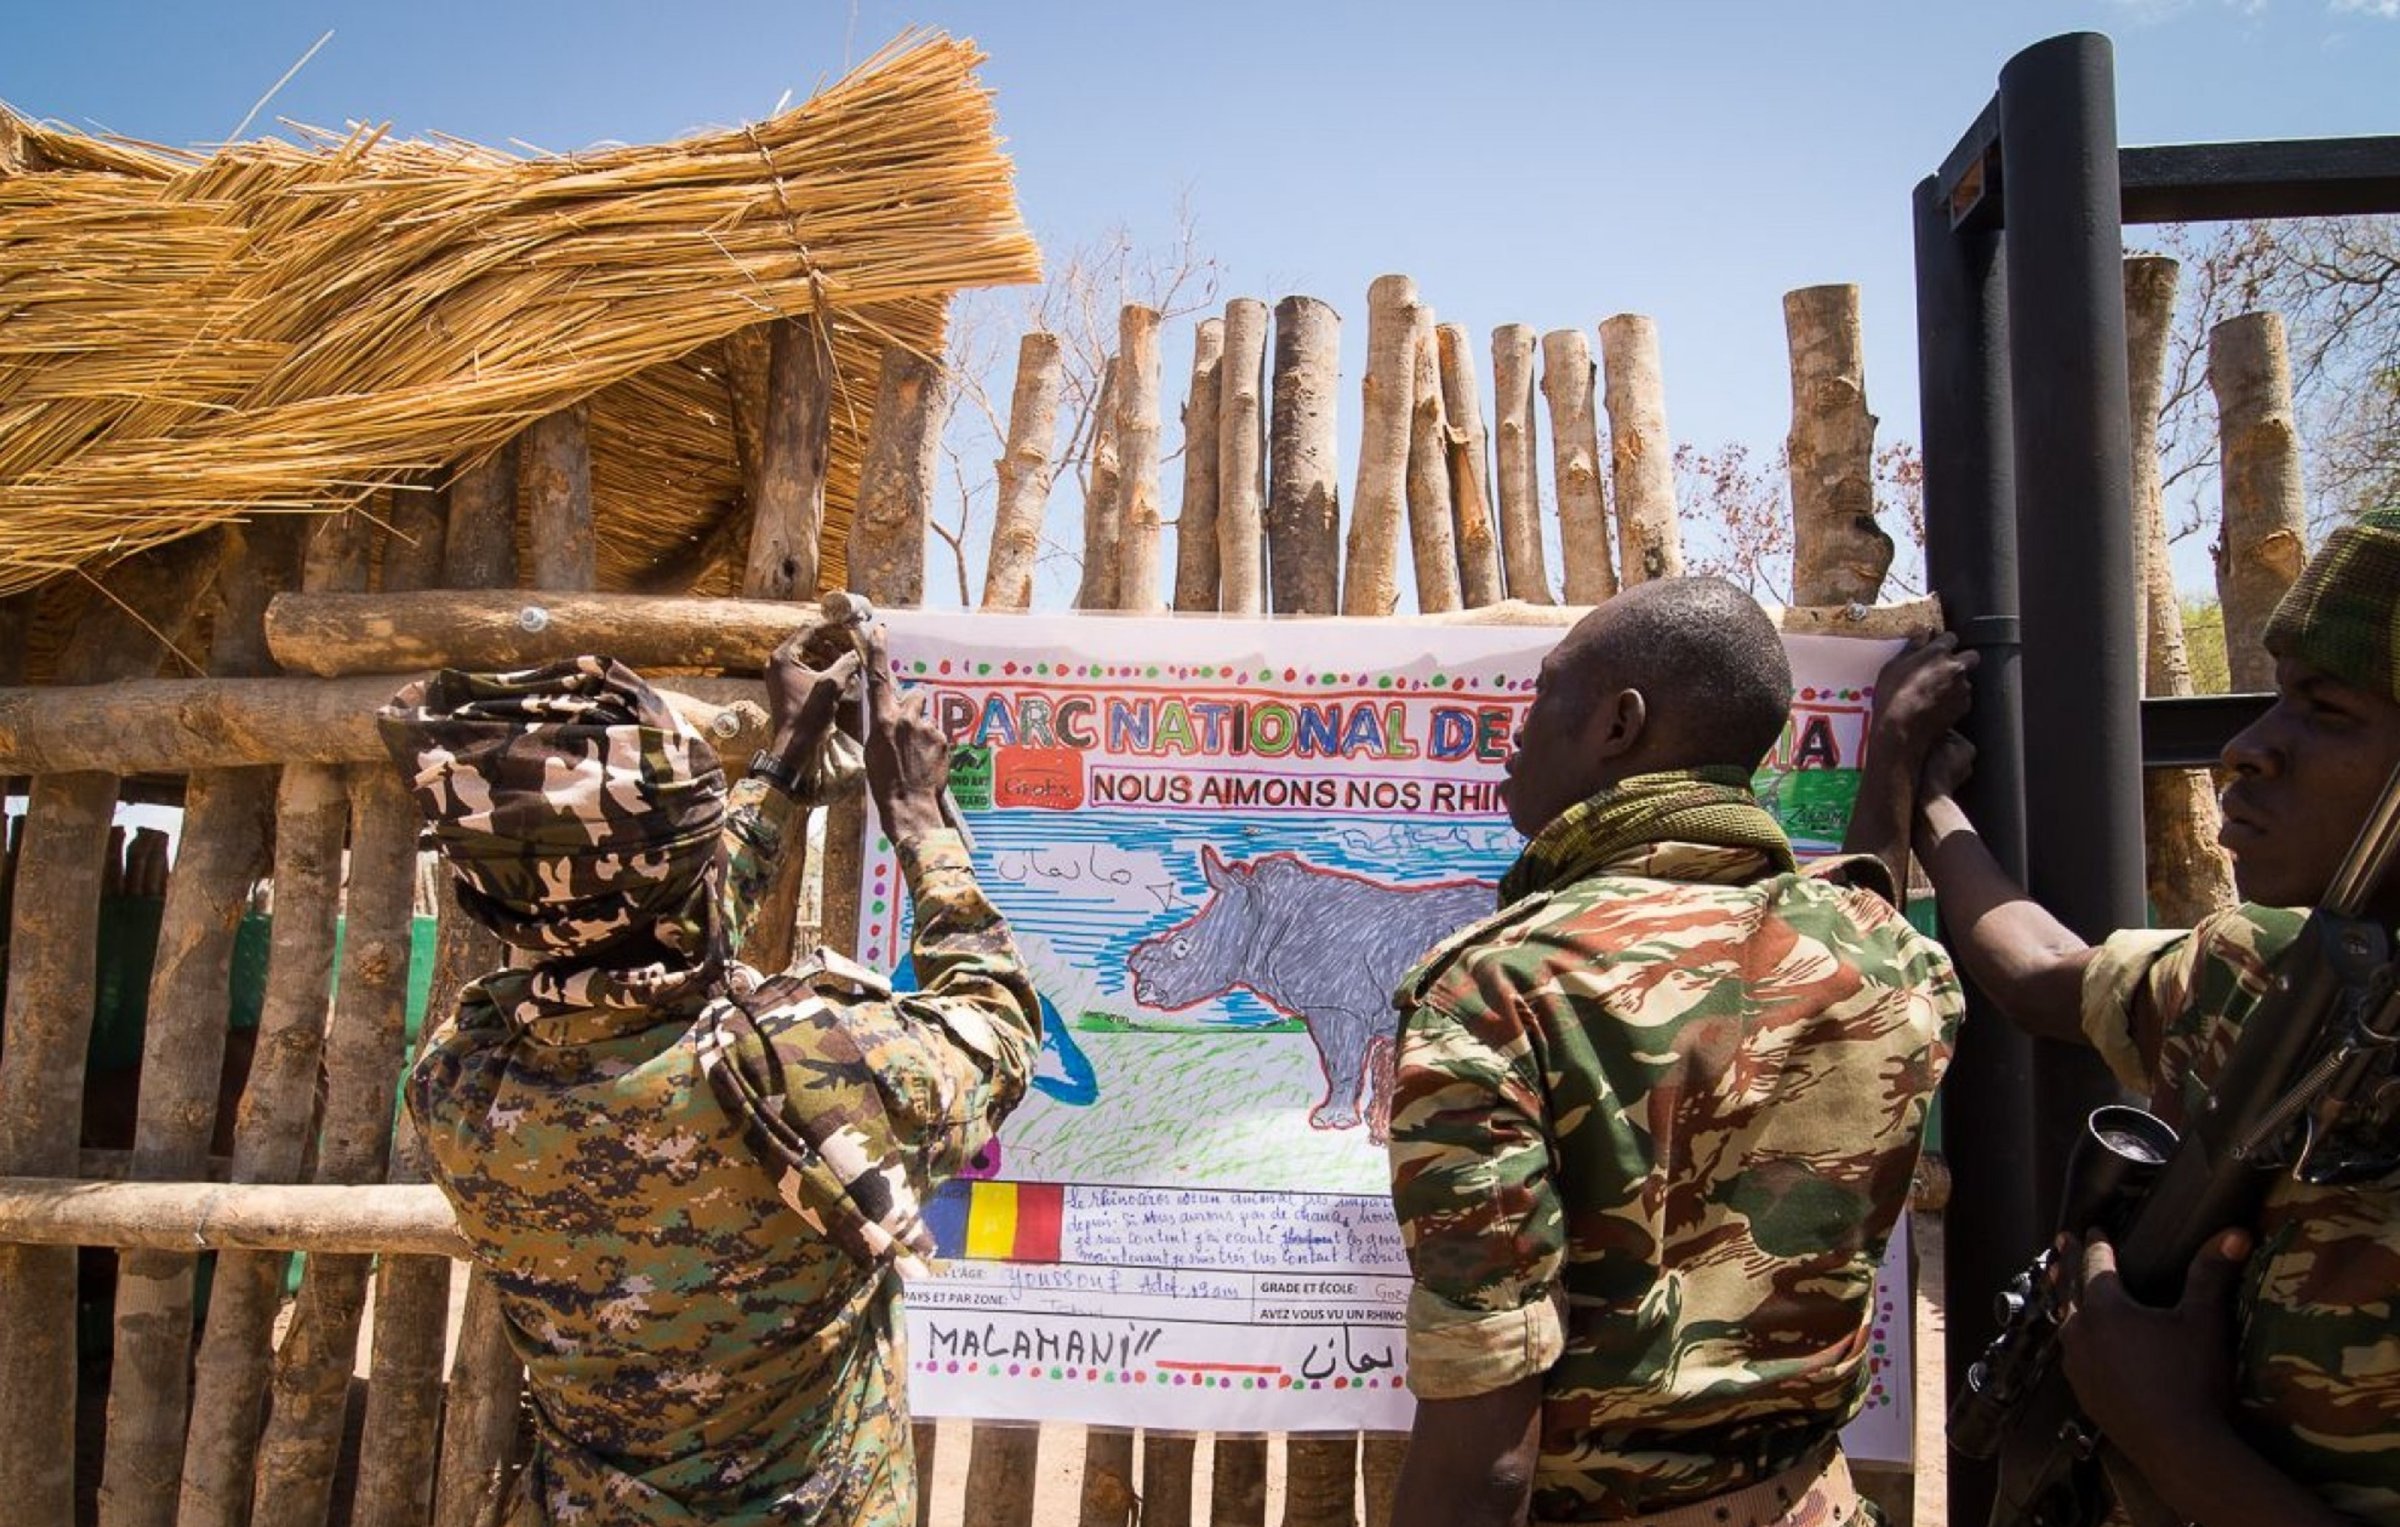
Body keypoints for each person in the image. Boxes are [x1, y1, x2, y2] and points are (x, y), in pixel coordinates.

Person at [376, 627, 1042, 1526]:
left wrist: (780, 767)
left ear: (490, 895)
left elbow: (633, 933)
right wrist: (919, 816)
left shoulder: (461, 1086)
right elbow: (997, 1019)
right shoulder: (805, 1076)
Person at [1386, 576, 1965, 1527]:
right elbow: (1863, 911)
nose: (1516, 733)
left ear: (1620, 724)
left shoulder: (1496, 993)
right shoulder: (1887, 956)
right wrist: (1895, 752)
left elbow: (1483, 1451)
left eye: (1540, 698)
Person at [1865, 504, 2400, 1526]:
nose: (2246, 748)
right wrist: (1923, 792)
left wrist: (2168, 1432)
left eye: (2327, 713)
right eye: (2278, 699)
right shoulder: (2270, 974)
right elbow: (2038, 972)